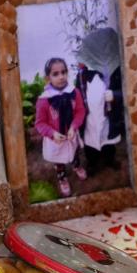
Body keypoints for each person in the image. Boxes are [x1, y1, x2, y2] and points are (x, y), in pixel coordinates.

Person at [35, 57, 87, 196]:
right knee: (59, 161)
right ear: (48, 78)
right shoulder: (44, 100)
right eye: (56, 74)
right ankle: (62, 178)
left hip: (71, 135)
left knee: (75, 153)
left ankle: (76, 166)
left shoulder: (74, 92)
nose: (61, 76)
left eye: (64, 72)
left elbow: (80, 111)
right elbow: (40, 123)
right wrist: (52, 133)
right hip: (56, 140)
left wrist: (74, 126)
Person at [76, 64, 119, 175]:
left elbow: (121, 88)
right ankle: (92, 162)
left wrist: (114, 94)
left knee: (107, 140)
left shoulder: (110, 71)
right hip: (90, 116)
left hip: (105, 115)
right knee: (90, 140)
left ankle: (109, 159)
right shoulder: (81, 76)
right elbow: (78, 94)